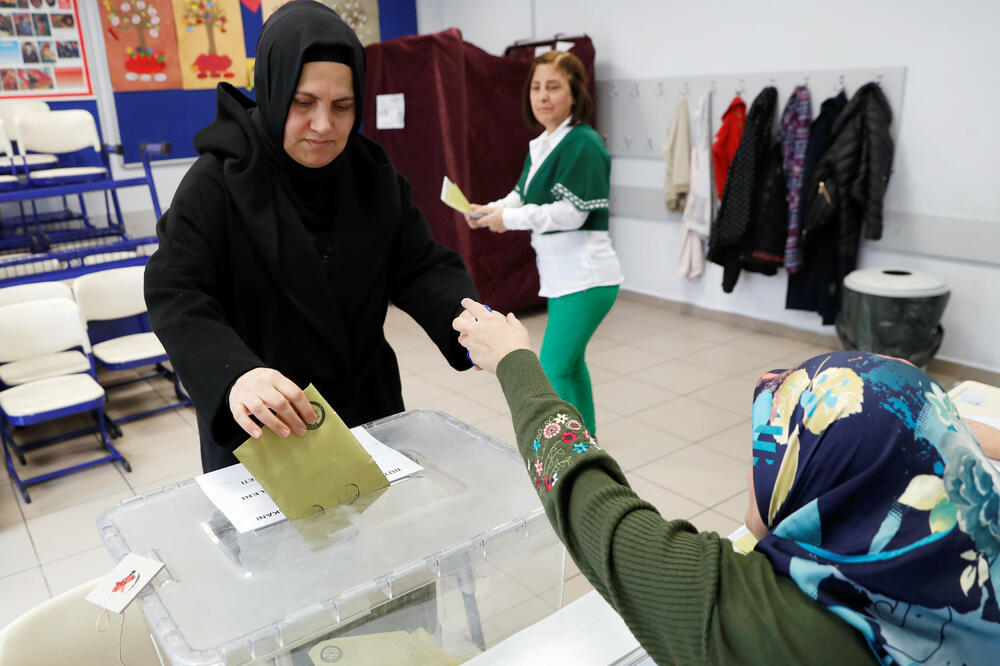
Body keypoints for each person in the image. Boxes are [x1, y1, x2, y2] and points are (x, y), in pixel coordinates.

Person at [453, 298, 1000, 664]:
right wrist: (933, 425)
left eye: (774, 453)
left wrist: (513, 360)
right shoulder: (973, 555)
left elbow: (593, 507)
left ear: (835, 494)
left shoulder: (767, 625)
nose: (756, 470)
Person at [145, 1, 478, 473]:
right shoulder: (217, 182)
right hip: (268, 422)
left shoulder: (372, 175)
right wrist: (236, 374)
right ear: (275, 90)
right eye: (303, 103)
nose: (324, 126)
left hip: (368, 409)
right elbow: (177, 293)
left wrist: (468, 323)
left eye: (342, 107)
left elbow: (420, 266)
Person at [465, 50, 622, 434]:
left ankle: (569, 449)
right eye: (536, 87)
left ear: (575, 93)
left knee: (553, 365)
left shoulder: (583, 143)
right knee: (570, 365)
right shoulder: (543, 143)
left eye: (553, 86)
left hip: (585, 277)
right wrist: (490, 210)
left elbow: (573, 213)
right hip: (563, 276)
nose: (542, 96)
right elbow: (520, 196)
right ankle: (587, 441)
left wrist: (509, 219)